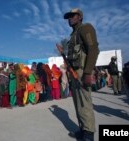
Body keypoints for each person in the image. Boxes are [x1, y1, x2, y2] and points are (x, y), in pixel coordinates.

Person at [58, 8, 99, 141]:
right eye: (68, 17)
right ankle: (83, 129)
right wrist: (62, 53)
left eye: (72, 16)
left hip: (82, 71)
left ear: (80, 17)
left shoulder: (85, 28)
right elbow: (70, 60)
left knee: (84, 103)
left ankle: (89, 134)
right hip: (74, 73)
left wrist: (88, 72)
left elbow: (93, 49)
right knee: (78, 103)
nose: (70, 18)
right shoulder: (73, 35)